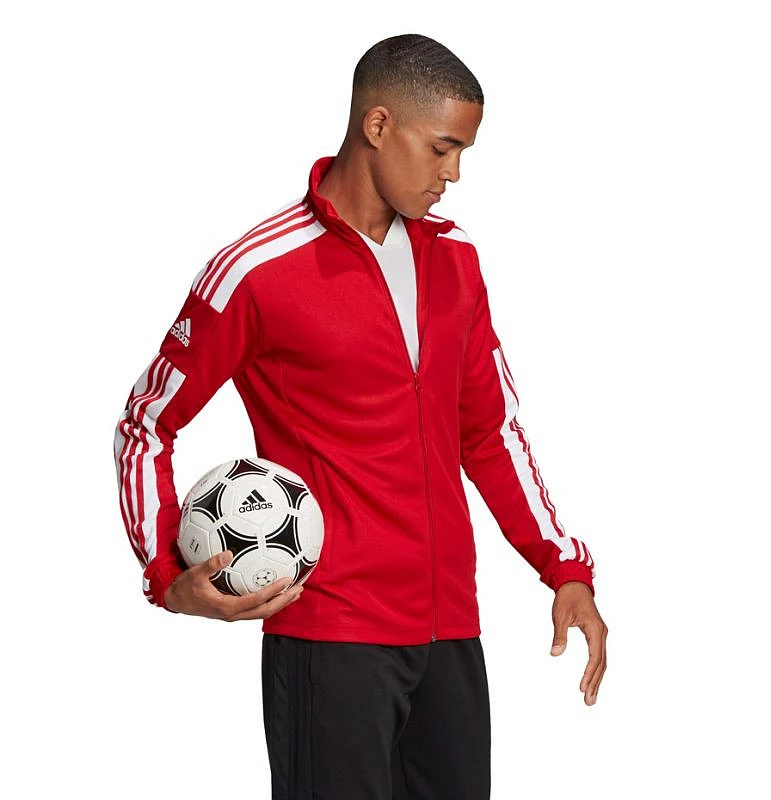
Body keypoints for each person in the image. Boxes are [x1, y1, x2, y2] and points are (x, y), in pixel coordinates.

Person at [114, 32, 608, 800]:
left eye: (463, 152)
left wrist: (563, 567)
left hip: (450, 631)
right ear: (378, 125)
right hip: (332, 638)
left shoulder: (456, 258)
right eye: (443, 148)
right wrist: (166, 572)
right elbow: (147, 423)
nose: (454, 174)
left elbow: (489, 431)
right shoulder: (256, 270)